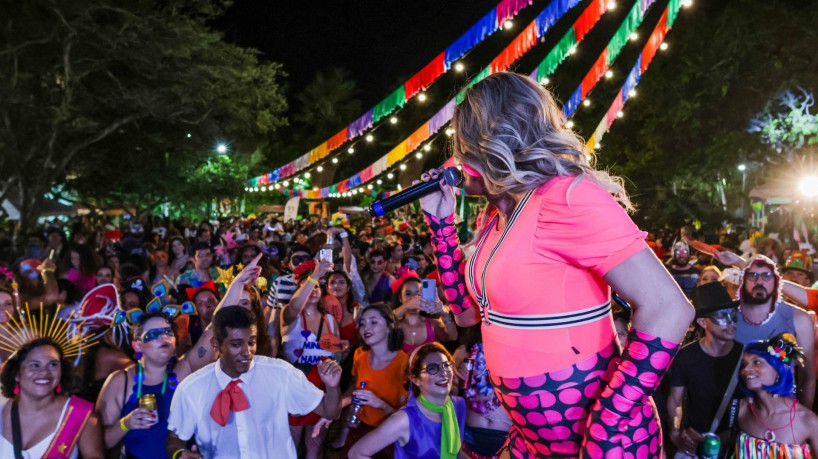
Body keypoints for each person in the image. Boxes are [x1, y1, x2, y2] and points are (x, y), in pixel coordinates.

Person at [417, 72, 693, 456]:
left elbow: (670, 307)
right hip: (533, 439)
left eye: (462, 142)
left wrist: (610, 419)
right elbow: (465, 315)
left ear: (492, 140)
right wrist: (441, 225)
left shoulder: (566, 198)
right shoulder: (495, 217)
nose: (457, 157)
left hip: (601, 442)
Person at [166, 306, 342, 459]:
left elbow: (330, 411)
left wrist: (332, 386)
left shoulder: (281, 374)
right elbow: (175, 437)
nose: (247, 352)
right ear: (216, 345)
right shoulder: (192, 388)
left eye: (251, 342)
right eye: (236, 344)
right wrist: (179, 453)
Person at [348, 342, 466, 459]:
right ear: (415, 379)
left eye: (446, 365)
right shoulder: (404, 420)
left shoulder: (458, 405)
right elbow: (356, 453)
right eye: (432, 368)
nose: (443, 373)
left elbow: (456, 452)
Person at [729, 255, 816, 409]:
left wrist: (801, 417)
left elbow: (807, 376)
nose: (759, 281)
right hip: (733, 407)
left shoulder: (799, 319)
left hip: (781, 412)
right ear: (742, 281)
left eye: (766, 276)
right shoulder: (728, 317)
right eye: (752, 276)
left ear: (777, 282)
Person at [667, 282, 744, 458]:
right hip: (693, 443)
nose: (731, 323)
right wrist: (676, 431)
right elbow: (675, 400)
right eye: (722, 317)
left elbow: (751, 403)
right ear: (702, 322)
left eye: (733, 315)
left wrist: (733, 435)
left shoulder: (745, 357)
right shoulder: (686, 356)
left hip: (732, 446)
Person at [0, 337, 104, 458]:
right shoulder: (1, 408)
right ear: (16, 374)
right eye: (34, 365)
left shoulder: (80, 414)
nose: (44, 372)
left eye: (53, 364)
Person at [280, 259, 343, 458]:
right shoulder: (290, 316)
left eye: (316, 286)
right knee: (291, 447)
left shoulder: (330, 320)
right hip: (295, 386)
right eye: (307, 287)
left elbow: (339, 352)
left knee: (314, 447)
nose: (313, 289)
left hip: (322, 388)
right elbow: (293, 307)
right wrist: (315, 274)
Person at [734, 333, 818, 457]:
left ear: (779, 370)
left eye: (756, 362)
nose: (746, 370)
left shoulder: (807, 420)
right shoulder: (741, 410)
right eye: (744, 365)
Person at [453, 326, 511, 459]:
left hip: (505, 438)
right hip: (470, 436)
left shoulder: (514, 348)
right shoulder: (464, 350)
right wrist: (456, 372)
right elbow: (450, 392)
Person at [391, 270, 456, 353]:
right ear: (400, 298)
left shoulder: (432, 323)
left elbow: (452, 337)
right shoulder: (395, 326)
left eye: (418, 293)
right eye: (408, 294)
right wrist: (406, 306)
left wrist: (444, 313)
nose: (414, 298)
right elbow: (385, 322)